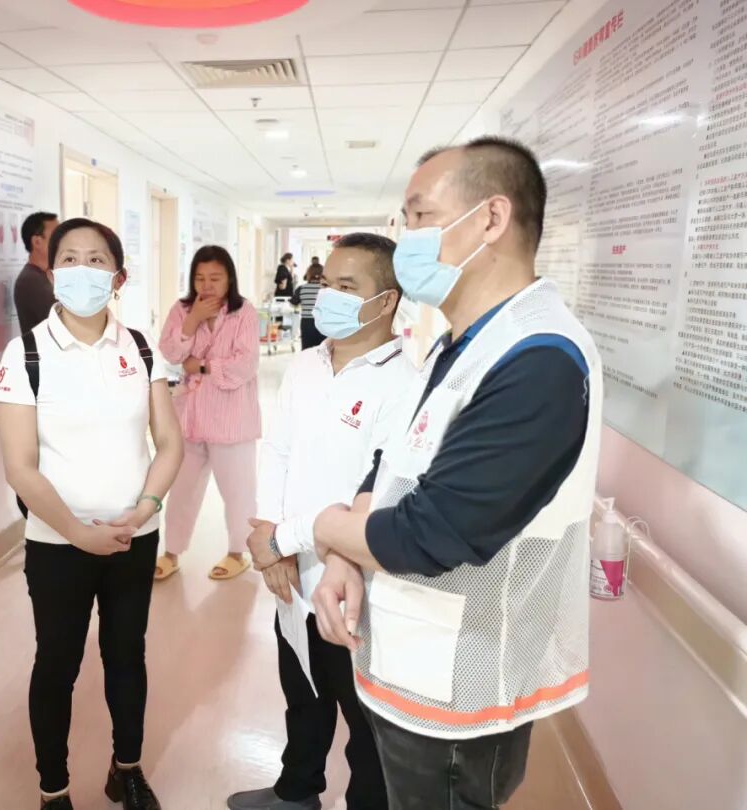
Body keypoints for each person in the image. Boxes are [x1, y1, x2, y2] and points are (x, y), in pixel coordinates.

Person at [311, 136, 602, 810]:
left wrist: (327, 529)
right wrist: (347, 557)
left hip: (460, 697)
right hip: (410, 664)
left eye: (419, 216)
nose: (405, 237)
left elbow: (432, 532)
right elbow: (398, 460)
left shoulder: (539, 359)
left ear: (491, 219)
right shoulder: (467, 340)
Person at [0, 218, 184, 810]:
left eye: (96, 259)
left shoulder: (140, 347)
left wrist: (144, 509)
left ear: (118, 277)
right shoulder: (26, 352)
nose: (82, 269)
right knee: (58, 664)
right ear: (52, 275)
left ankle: (127, 769)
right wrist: (77, 532)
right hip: (58, 542)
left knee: (127, 656)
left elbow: (169, 443)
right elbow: (20, 466)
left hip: (134, 537)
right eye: (69, 258)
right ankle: (53, 788)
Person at [228, 233, 417, 810]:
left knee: (364, 721)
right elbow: (278, 451)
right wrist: (268, 535)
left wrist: (290, 542)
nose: (327, 295)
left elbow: (382, 496)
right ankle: (297, 792)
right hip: (290, 566)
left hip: (355, 580)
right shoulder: (305, 365)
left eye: (346, 286)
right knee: (302, 693)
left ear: (385, 301)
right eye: (326, 282)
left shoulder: (405, 384)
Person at [156, 245, 261, 581]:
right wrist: (192, 321)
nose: (207, 285)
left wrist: (201, 365)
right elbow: (170, 352)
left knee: (237, 492)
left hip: (232, 419)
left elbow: (245, 365)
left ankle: (237, 552)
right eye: (200, 278)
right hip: (190, 418)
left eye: (215, 278)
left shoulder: (244, 313)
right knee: (181, 490)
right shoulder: (183, 309)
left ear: (230, 278)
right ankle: (171, 552)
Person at [14, 210, 60, 335]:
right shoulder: (31, 281)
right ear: (37, 242)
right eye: (56, 236)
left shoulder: (45, 275)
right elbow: (64, 324)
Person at [290, 262, 325, 349]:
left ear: (308, 274)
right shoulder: (326, 289)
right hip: (323, 322)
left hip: (307, 323)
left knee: (307, 350)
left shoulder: (301, 288)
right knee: (323, 350)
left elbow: (293, 303)